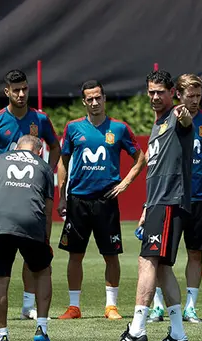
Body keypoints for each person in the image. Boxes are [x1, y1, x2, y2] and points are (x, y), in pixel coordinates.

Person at [0, 69, 61, 322]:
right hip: (4, 199)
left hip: (29, 200)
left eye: (25, 89)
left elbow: (55, 147)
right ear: (6, 92)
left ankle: (29, 305)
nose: (21, 94)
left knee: (33, 256)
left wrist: (46, 174)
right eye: (16, 90)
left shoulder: (39, 119)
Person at [110, 70, 193, 341]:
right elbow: (155, 170)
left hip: (170, 201)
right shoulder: (157, 125)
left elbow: (186, 119)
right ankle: (178, 334)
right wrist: (146, 206)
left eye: (160, 91)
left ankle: (137, 330)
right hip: (158, 204)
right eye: (151, 92)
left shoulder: (177, 116)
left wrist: (184, 114)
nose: (155, 97)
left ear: (173, 93)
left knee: (147, 261)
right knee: (162, 269)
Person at [56, 80, 145, 320]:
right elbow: (63, 162)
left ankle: (111, 306)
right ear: (84, 101)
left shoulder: (119, 128)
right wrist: (62, 195)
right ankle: (74, 307)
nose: (94, 102)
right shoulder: (73, 128)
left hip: (106, 200)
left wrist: (125, 182)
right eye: (90, 99)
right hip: (78, 200)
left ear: (104, 98)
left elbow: (140, 158)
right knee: (75, 254)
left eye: (98, 98)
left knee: (111, 254)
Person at [149, 74, 202, 324]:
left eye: (198, 96)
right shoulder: (166, 118)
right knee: (162, 255)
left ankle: (191, 307)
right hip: (172, 196)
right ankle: (158, 305)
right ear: (178, 94)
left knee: (196, 253)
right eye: (190, 96)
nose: (195, 100)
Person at [0, 135, 55, 341]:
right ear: (39, 151)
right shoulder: (45, 166)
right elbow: (48, 210)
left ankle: (2, 336)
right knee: (42, 271)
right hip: (31, 221)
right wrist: (45, 239)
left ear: (16, 148)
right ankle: (42, 329)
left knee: (0, 279)